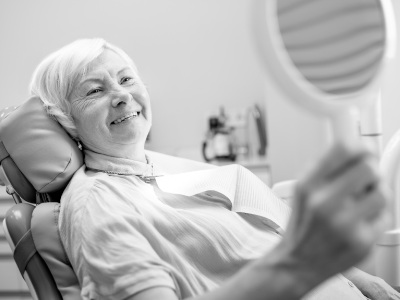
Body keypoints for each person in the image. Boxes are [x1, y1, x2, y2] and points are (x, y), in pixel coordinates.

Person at [29, 38, 399, 300]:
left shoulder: (158, 169)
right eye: (95, 91)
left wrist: (366, 281)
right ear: (67, 120)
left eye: (126, 79)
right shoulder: (98, 204)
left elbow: (274, 234)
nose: (121, 94)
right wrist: (299, 264)